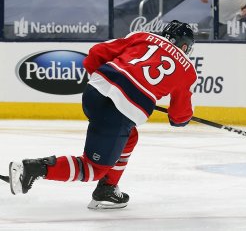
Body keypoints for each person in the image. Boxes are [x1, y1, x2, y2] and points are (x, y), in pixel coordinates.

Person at [8, 20, 197, 209]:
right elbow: (179, 117)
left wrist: (109, 85)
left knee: (130, 137)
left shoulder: (142, 37)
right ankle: (33, 168)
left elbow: (96, 54)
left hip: (94, 92)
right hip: (117, 114)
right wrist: (174, 116)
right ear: (185, 45)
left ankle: (108, 188)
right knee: (93, 169)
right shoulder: (187, 69)